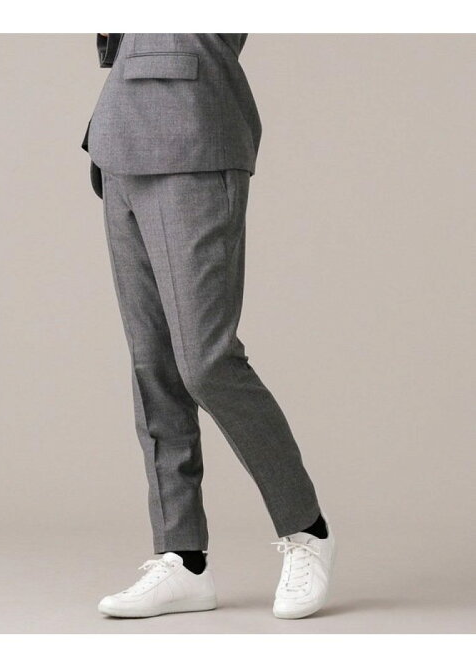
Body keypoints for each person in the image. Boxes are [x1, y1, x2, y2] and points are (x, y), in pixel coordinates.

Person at [82, 33, 335, 620]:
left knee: (206, 361)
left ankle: (307, 527)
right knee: (152, 363)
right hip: (119, 138)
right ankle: (183, 558)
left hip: (193, 131)